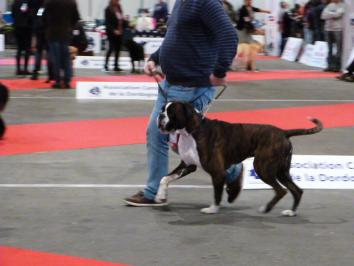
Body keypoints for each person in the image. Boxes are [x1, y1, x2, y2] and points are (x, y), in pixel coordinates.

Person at [124, 0, 243, 206]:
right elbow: (177, 37)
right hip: (170, 84)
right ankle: (153, 193)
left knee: (186, 144)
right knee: (157, 133)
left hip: (193, 86)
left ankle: (232, 170)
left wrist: (220, 71)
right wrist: (155, 58)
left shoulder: (205, 3)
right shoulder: (181, 2)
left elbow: (229, 35)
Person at [43, 0, 80, 88]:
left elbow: (44, 18)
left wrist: (48, 27)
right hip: (66, 33)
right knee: (66, 57)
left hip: (53, 33)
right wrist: (69, 27)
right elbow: (76, 18)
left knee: (56, 58)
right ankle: (67, 80)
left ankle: (58, 80)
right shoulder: (71, 2)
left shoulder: (49, 2)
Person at [236, 0, 270, 71]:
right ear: (245, 1)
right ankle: (235, 64)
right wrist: (256, 30)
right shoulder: (243, 10)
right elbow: (247, 21)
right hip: (242, 31)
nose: (250, 2)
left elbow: (257, 9)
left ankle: (249, 66)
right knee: (241, 49)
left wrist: (266, 11)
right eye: (248, 1)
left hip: (247, 31)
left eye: (251, 1)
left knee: (252, 47)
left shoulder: (250, 8)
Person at [321, 0, 345, 72]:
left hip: (338, 29)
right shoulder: (330, 5)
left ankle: (337, 66)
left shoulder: (343, 5)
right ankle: (329, 66)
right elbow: (323, 16)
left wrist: (330, 14)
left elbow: (338, 14)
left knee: (339, 49)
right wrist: (333, 14)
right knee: (329, 49)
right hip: (327, 29)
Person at [11, 0, 33, 76]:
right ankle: (25, 69)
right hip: (26, 28)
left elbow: (13, 15)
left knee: (19, 49)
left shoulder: (14, 3)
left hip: (17, 27)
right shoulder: (26, 3)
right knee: (27, 49)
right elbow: (28, 14)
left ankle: (18, 69)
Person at [104, 0, 124, 72]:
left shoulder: (119, 8)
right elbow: (107, 22)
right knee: (111, 48)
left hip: (120, 32)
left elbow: (121, 19)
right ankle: (105, 65)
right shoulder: (107, 9)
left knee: (118, 49)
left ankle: (116, 65)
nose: (118, 1)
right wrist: (114, 30)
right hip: (111, 33)